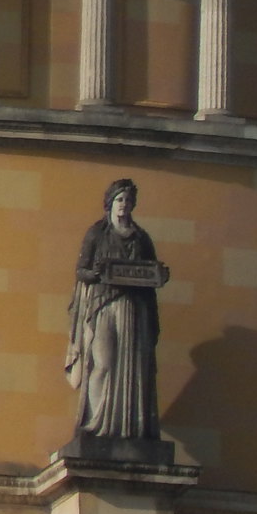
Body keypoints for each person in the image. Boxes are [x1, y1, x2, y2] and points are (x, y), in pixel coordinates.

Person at [64, 178, 163, 441]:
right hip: (102, 305)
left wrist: (159, 275)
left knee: (132, 368)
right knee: (104, 363)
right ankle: (94, 423)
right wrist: (95, 274)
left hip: (133, 308)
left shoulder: (141, 239)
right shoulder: (97, 233)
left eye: (129, 201)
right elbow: (81, 270)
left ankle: (130, 426)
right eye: (120, 200)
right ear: (111, 203)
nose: (124, 205)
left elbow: (152, 272)